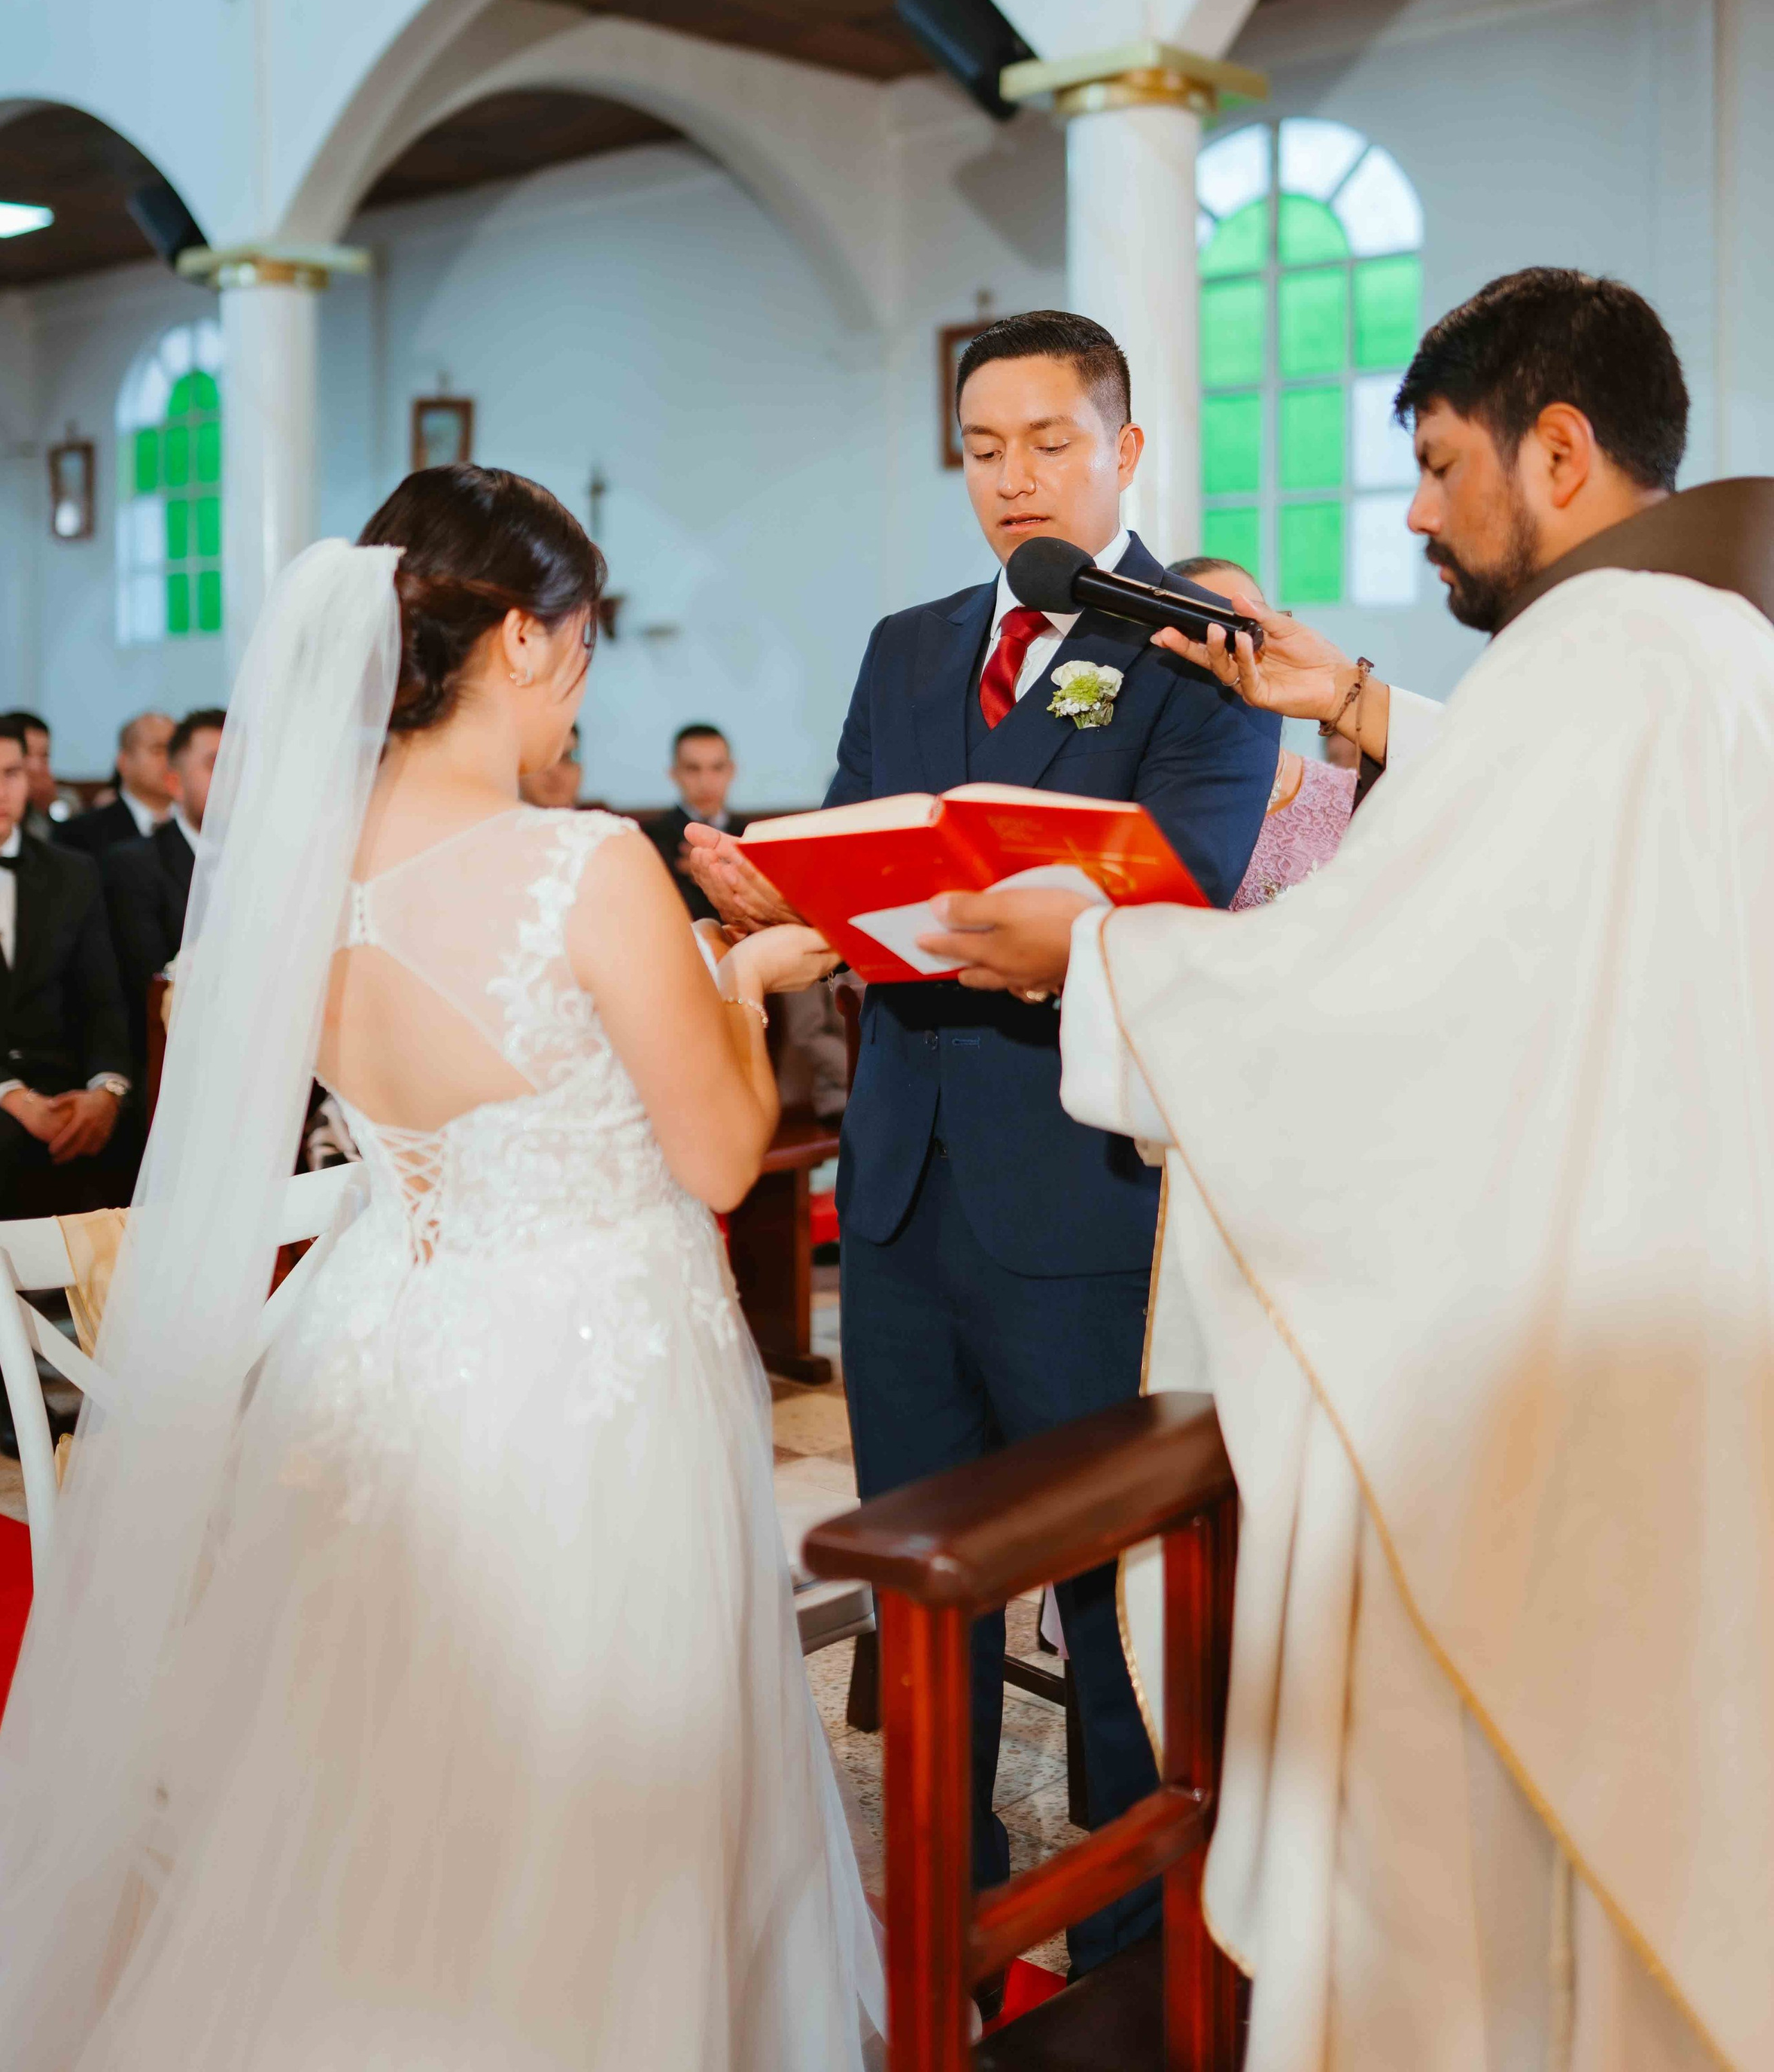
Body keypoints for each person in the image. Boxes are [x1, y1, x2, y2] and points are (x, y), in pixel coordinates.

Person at [921, 270, 1767, 2067]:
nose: (1416, 516)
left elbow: (1368, 992)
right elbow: (1553, 868)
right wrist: (1366, 702)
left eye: (1441, 467)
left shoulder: (1594, 660)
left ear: (1555, 452)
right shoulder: (1704, 645)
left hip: (1573, 1349)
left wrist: (1094, 956)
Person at [0, 465, 881, 2072]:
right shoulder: (582, 863)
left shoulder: (301, 865)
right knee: (599, 1776)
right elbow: (714, 1154)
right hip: (586, 1369)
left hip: (381, 1351)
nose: (581, 690)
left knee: (378, 1783)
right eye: (585, 649)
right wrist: (746, 979)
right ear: (526, 640)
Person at [688, 309, 1276, 1986]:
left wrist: (1025, 920)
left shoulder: (1196, 649)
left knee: (1105, 1607)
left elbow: (1188, 884)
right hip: (897, 1186)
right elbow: (849, 846)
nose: (1013, 477)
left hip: (1075, 1194)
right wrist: (777, 897)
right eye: (982, 448)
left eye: (1048, 442)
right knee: (919, 1581)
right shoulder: (910, 644)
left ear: (1124, 450)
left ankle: (1128, 1961)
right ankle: (947, 1928)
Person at [0, 713, 132, 1222]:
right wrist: (15, 1097)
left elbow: (104, 1001)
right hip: (5, 1096)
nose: (1, 791)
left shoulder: (72, 872)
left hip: (62, 1081)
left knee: (132, 1135)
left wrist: (106, 1091)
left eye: (11, 773)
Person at [1171, 558, 1356, 907]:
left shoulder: (1347, 797)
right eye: (1209, 632)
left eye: (1249, 627)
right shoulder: (1139, 791)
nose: (1236, 649)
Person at [101, 708, 224, 1081]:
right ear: (175, 783)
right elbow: (147, 984)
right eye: (216, 765)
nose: (233, 778)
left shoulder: (275, 862)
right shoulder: (134, 864)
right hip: (174, 1059)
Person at [643, 722, 741, 924]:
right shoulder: (650, 840)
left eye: (717, 768)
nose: (706, 782)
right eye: (693, 769)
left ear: (731, 771)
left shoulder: (751, 836)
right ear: (674, 774)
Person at [60, 710, 175, 858]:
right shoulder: (79, 834)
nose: (171, 760)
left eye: (176, 750)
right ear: (124, 762)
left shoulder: (199, 828)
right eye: (158, 750)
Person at [6, 710, 66, 844]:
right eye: (27, 753)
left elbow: (70, 838)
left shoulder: (64, 798)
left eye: (44, 756)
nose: (36, 766)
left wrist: (50, 806)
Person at [518, 719, 583, 808]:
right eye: (542, 760)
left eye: (567, 758)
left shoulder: (601, 815)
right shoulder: (501, 816)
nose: (555, 772)